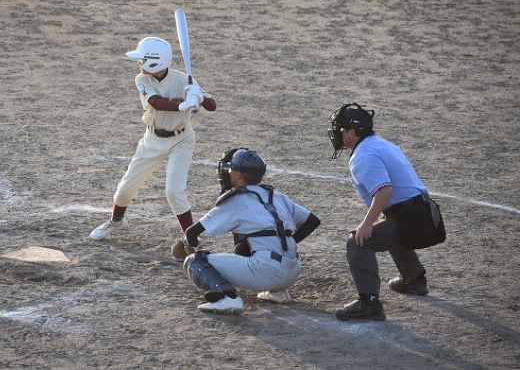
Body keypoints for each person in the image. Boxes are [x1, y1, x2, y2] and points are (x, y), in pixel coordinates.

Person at [90, 36, 217, 257]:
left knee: (174, 192)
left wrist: (198, 96)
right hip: (152, 140)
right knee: (125, 188)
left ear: (156, 60)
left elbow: (212, 106)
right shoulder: (142, 79)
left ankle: (191, 241)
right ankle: (116, 221)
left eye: (143, 59)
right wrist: (183, 105)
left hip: (182, 140)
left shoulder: (184, 79)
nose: (140, 63)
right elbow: (155, 102)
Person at [327, 103, 444, 321]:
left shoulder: (363, 155)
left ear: (352, 132)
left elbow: (384, 190)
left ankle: (369, 303)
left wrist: (366, 225)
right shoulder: (380, 144)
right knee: (387, 222)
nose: (336, 132)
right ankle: (414, 280)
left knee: (359, 241)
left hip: (414, 219)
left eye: (341, 129)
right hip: (425, 214)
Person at [179, 148, 321, 315]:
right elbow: (313, 221)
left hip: (267, 273)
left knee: (195, 261)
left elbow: (191, 233)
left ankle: (226, 298)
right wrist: (287, 243)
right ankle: (278, 292)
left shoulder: (236, 200)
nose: (228, 172)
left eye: (231, 169)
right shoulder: (275, 195)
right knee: (253, 238)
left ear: (239, 174)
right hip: (293, 271)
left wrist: (190, 245)